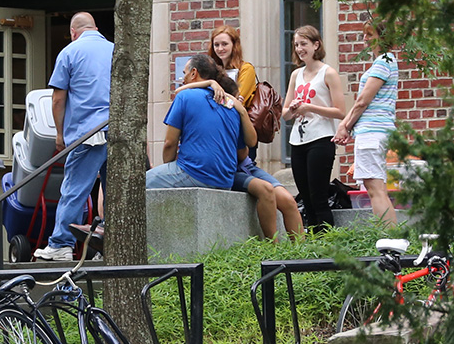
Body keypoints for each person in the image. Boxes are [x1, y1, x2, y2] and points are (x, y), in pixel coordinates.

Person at [175, 72, 304, 241]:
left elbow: (250, 144)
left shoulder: (235, 111)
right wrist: (211, 82)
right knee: (265, 190)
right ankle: (274, 247)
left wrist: (242, 111)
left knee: (288, 201)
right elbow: (179, 92)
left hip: (245, 166)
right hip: (227, 170)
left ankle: (302, 254)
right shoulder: (212, 109)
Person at [33, 12, 113, 262]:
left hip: (87, 132)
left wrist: (59, 133)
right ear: (96, 28)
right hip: (117, 131)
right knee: (115, 192)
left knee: (75, 189)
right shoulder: (115, 50)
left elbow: (58, 98)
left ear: (73, 32)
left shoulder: (69, 52)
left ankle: (60, 244)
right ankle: (113, 245)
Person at [146, 54, 256, 190]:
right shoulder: (230, 105)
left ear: (194, 73)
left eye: (184, 73)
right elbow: (242, 152)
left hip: (193, 173)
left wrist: (168, 168)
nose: (183, 79)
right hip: (225, 181)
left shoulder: (184, 97)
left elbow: (170, 143)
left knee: (139, 184)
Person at [332, 18, 399, 226]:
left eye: (370, 34)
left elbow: (362, 101)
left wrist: (345, 125)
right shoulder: (385, 61)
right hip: (375, 130)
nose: (365, 38)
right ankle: (391, 238)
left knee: (375, 189)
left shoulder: (384, 61)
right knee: (376, 188)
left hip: (373, 131)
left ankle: (390, 238)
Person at [283, 25, 346, 233]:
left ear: (316, 44)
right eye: (296, 45)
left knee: (319, 197)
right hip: (298, 140)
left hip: (321, 139)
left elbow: (340, 111)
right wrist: (293, 108)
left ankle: (327, 246)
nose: (300, 49)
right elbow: (285, 114)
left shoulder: (328, 73)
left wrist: (309, 107)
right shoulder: (296, 75)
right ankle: (312, 248)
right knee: (306, 198)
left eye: (304, 44)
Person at [209, 25, 256, 106]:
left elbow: (237, 102)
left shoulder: (246, 69)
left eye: (224, 44)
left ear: (234, 45)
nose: (220, 49)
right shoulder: (212, 69)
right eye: (216, 45)